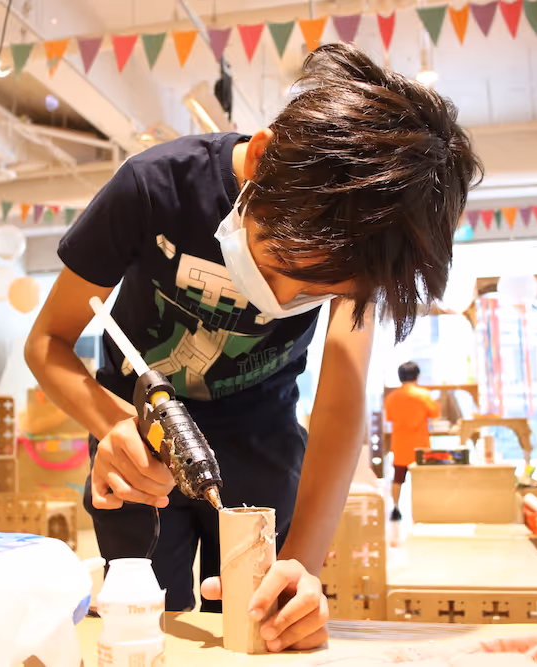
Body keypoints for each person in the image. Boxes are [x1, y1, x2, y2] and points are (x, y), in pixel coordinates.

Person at [25, 43, 481, 651]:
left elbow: (340, 406)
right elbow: (47, 342)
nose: (280, 298)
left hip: (260, 436)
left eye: (316, 293)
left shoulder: (362, 250)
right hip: (139, 433)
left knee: (264, 627)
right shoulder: (153, 188)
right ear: (263, 158)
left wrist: (303, 567)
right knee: (141, 624)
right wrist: (112, 426)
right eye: (279, 264)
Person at [384, 361, 440, 521]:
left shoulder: (392, 397)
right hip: (420, 445)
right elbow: (434, 413)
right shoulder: (423, 395)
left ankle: (395, 508)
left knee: (398, 478)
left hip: (400, 445)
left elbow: (389, 417)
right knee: (423, 480)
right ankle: (424, 509)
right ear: (417, 376)